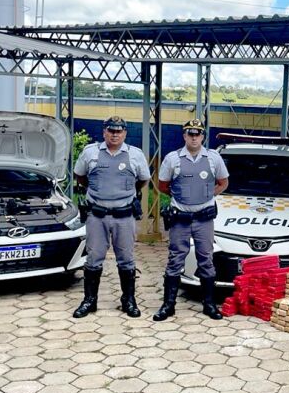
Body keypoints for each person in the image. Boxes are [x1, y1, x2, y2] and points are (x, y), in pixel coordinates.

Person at [72, 116, 151, 318]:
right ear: (104, 132)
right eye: (111, 130)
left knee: (126, 259)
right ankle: (90, 301)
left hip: (123, 216)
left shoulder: (135, 154)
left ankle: (129, 300)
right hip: (97, 215)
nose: (115, 134)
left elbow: (142, 179)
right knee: (93, 258)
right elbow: (80, 176)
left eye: (119, 131)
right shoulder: (91, 152)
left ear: (125, 133)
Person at [154, 119, 229, 321]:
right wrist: (180, 196)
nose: (194, 137)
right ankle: (168, 305)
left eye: (198, 134)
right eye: (190, 134)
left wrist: (207, 195)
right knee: (175, 259)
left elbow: (223, 182)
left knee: (206, 258)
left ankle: (209, 305)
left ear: (203, 136)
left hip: (204, 219)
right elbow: (162, 186)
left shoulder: (213, 158)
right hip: (181, 218)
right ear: (184, 136)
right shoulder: (173, 158)